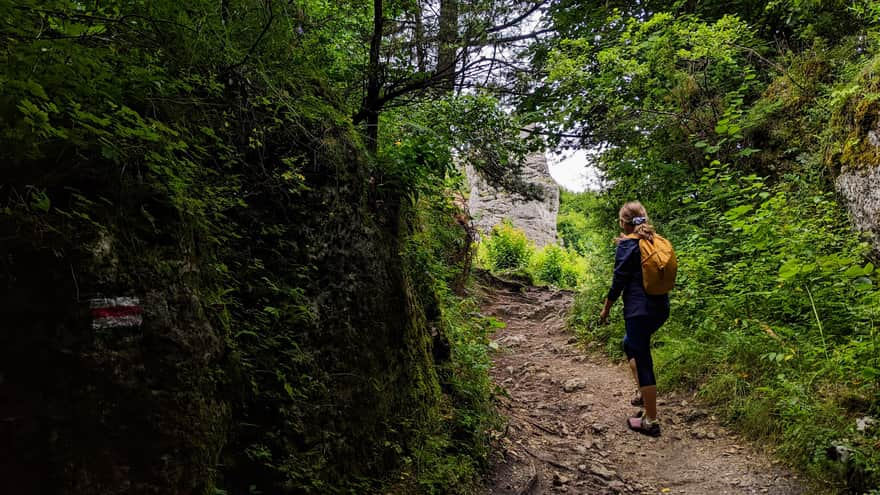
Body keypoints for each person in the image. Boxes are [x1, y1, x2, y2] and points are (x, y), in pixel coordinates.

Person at [599, 201, 670, 437]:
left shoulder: (628, 245)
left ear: (623, 222)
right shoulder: (655, 240)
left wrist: (606, 308)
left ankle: (651, 420)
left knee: (642, 359)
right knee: (630, 344)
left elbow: (618, 281)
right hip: (660, 308)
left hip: (639, 311)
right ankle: (643, 394)